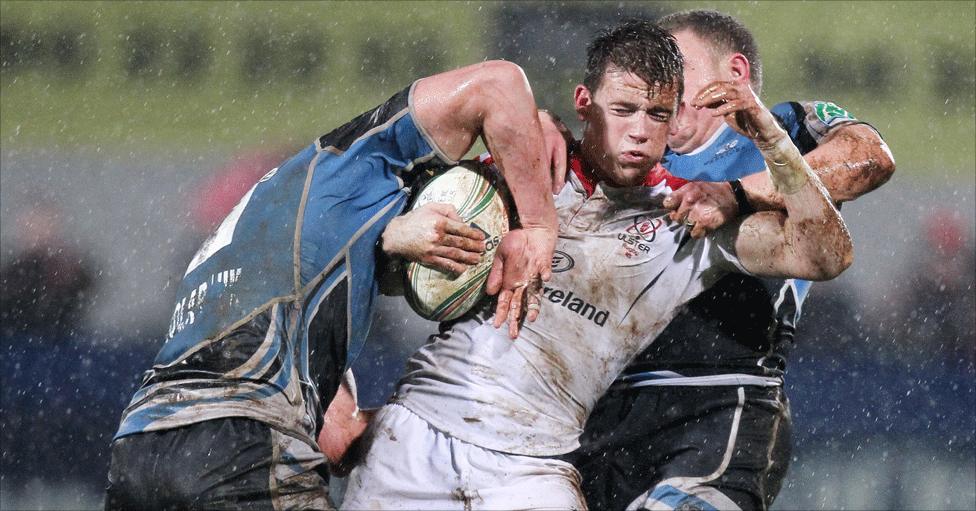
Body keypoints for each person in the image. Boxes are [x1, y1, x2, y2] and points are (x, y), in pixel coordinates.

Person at [338, 19, 853, 510]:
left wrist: (771, 138)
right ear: (584, 104)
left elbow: (825, 254)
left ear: (675, 118)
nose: (638, 132)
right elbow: (370, 265)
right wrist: (397, 236)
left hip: (532, 468)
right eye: (624, 109)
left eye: (656, 115)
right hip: (414, 436)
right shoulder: (516, 177)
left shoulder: (689, 219)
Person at [105, 59, 562, 509]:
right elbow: (498, 84)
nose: (405, 286)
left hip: (136, 453)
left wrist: (454, 428)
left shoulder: (273, 233)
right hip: (243, 445)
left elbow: (339, 441)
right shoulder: (355, 164)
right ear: (426, 193)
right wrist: (539, 227)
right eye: (434, 261)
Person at [569, 10, 896, 511]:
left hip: (719, 397)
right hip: (597, 410)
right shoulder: (633, 147)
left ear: (736, 75)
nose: (661, 84)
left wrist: (739, 194)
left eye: (674, 67)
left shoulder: (777, 133)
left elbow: (869, 157)